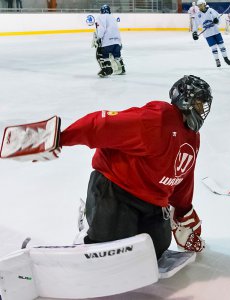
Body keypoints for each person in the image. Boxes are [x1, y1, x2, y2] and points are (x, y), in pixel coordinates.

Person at [45, 75, 211, 260]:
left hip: (153, 199)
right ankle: (88, 226)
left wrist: (183, 211)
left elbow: (183, 176)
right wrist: (60, 138)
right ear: (185, 100)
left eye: (203, 104)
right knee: (109, 248)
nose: (201, 109)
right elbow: (102, 124)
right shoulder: (158, 119)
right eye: (198, 102)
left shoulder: (192, 137)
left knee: (155, 250)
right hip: (116, 188)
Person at [192, 0, 230, 67]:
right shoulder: (198, 14)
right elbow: (195, 25)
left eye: (200, 5)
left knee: (222, 46)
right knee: (214, 48)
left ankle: (226, 58)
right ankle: (217, 60)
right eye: (198, 5)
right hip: (207, 34)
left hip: (216, 31)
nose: (199, 6)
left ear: (204, 4)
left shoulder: (211, 10)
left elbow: (218, 18)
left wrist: (217, 21)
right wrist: (194, 33)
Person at [95, 4, 126, 77]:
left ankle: (107, 70)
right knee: (117, 55)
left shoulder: (101, 17)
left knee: (101, 54)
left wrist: (98, 38)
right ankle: (121, 68)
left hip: (107, 42)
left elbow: (101, 29)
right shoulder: (112, 17)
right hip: (117, 41)